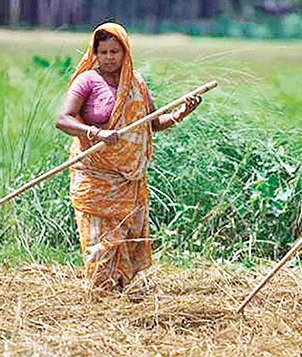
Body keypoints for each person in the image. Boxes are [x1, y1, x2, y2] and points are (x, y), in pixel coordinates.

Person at [56, 22, 201, 292]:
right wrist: (94, 133)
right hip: (95, 176)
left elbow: (153, 123)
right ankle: (101, 296)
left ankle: (121, 295)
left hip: (128, 179)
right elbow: (62, 120)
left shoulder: (136, 83)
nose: (110, 58)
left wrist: (182, 112)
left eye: (115, 52)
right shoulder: (86, 80)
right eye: (104, 52)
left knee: (125, 240)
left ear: (125, 53)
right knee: (100, 244)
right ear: (94, 53)